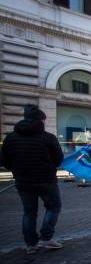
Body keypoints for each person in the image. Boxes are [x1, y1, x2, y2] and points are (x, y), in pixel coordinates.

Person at [1, 105, 64, 254]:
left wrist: (18, 170)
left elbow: (4, 161)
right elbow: (58, 159)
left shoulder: (10, 138)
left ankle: (31, 244)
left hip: (23, 181)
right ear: (41, 120)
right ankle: (46, 239)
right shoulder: (48, 137)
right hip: (46, 180)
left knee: (29, 212)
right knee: (53, 207)